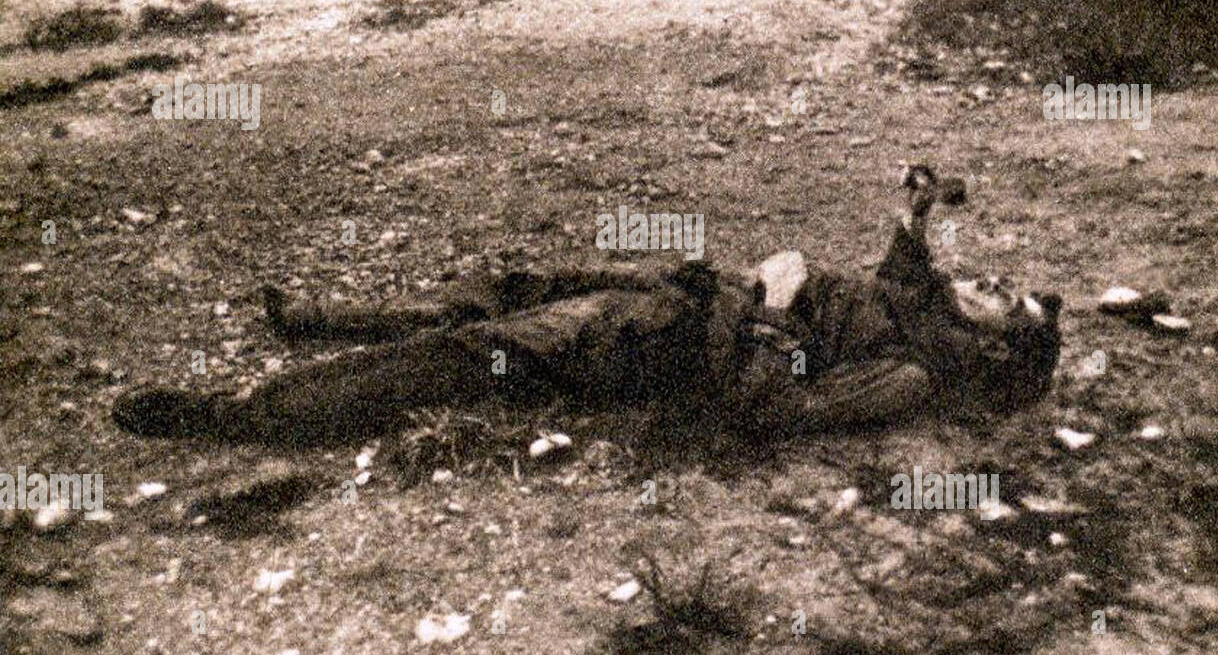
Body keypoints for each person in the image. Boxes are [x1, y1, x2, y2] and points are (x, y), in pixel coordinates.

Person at [113, 166, 1061, 449]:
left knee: (471, 358)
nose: (979, 283)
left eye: (997, 300)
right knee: (514, 288)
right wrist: (919, 204)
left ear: (992, 344)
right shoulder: (923, 306)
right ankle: (329, 321)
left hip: (666, 345)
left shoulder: (909, 373)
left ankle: (233, 420)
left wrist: (772, 307)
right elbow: (909, 261)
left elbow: (772, 408)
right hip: (682, 299)